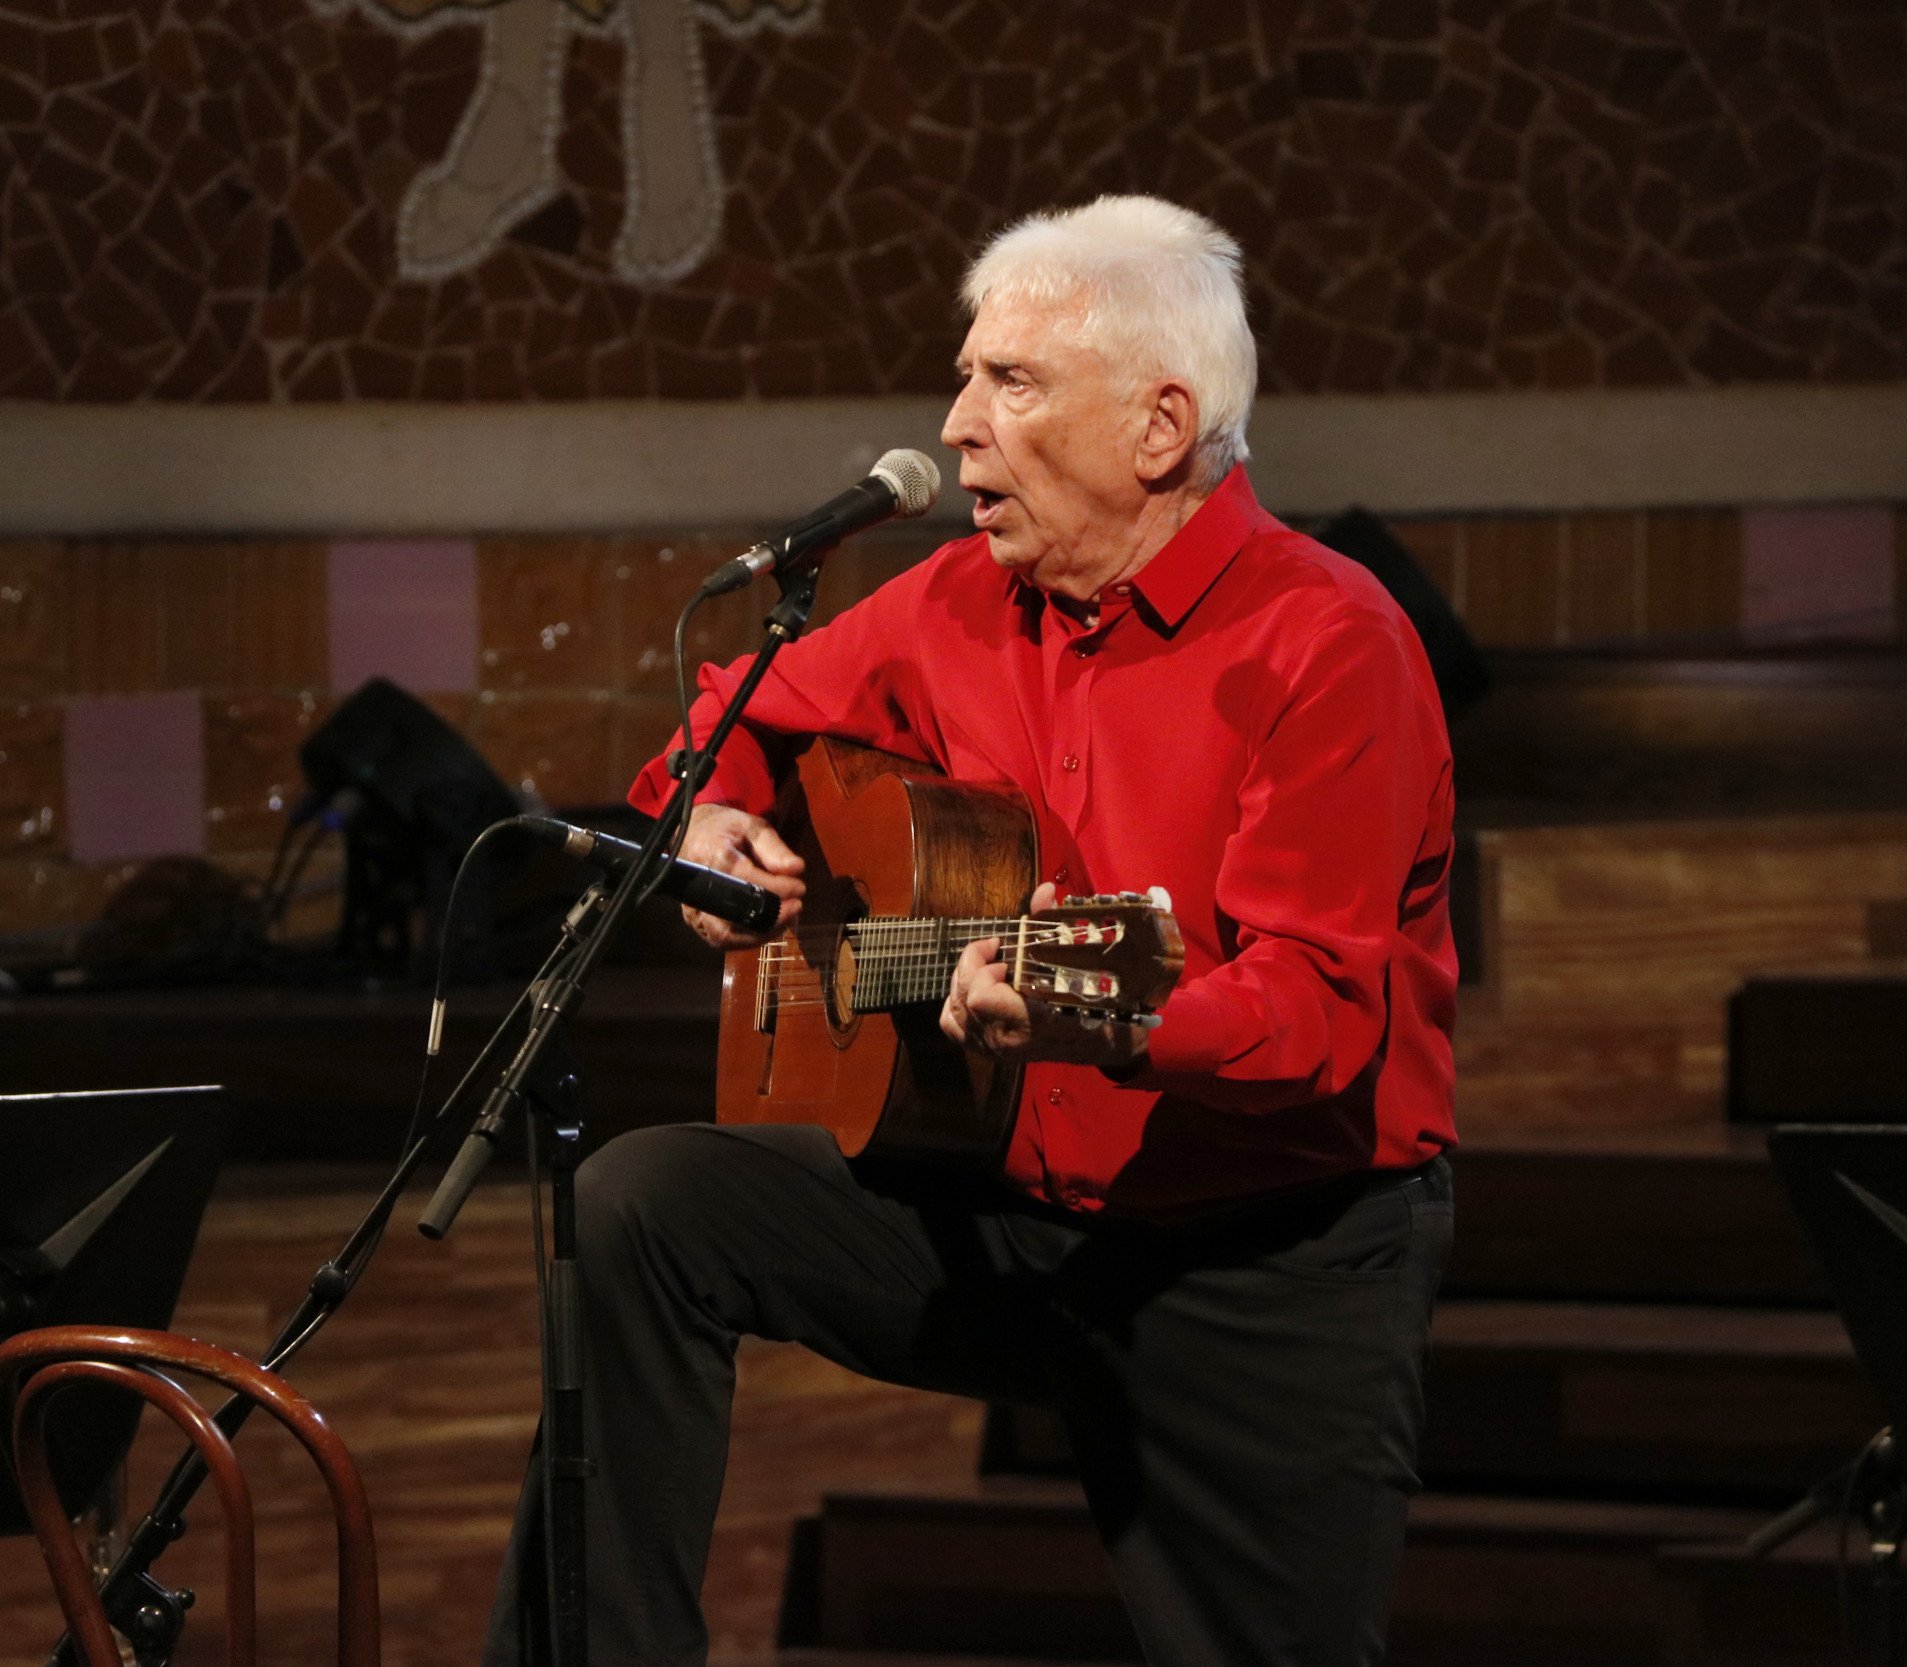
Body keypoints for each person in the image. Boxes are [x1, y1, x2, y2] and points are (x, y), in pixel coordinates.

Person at [482, 194, 1459, 1667]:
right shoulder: (952, 603)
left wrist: (1110, 1015)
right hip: (1000, 1201)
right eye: (968, 377)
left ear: (1157, 428)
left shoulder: (1329, 646)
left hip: (1264, 1259)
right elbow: (737, 721)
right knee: (645, 1207)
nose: (955, 430)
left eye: (1010, 384)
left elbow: (1317, 1018)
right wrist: (698, 817)